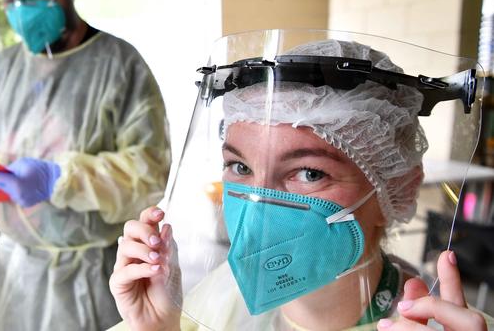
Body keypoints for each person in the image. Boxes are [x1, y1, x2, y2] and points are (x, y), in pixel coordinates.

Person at [108, 34, 493, 330]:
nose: (260, 204)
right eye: (240, 167)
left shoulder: (452, 326)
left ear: (399, 189)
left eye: (309, 173)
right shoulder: (218, 300)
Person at [0, 0, 171, 329]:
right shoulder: (3, 70)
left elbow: (149, 175)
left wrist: (60, 178)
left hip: (94, 277)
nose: (19, 10)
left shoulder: (120, 65)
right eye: (5, 1)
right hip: (18, 271)